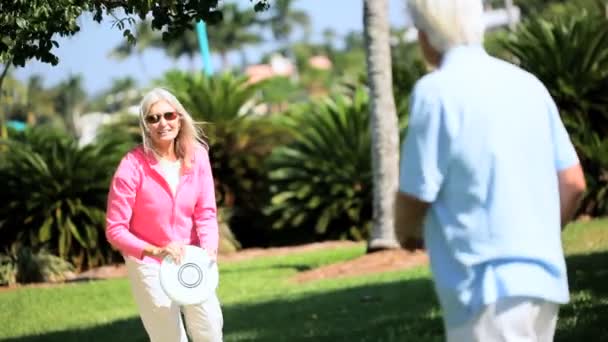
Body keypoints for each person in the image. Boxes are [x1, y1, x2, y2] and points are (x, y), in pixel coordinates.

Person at [395, 0, 587, 341]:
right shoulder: (529, 85)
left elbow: (414, 194)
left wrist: (406, 234)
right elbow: (573, 182)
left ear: (425, 33)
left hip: (485, 288)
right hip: (544, 283)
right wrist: (536, 237)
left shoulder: (435, 92)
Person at [105, 87, 223, 342]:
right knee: (169, 337)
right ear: (145, 125)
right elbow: (115, 229)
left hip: (191, 255)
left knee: (210, 328)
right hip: (149, 262)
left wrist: (209, 249)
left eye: (169, 115)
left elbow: (205, 212)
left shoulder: (197, 155)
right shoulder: (131, 166)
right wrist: (154, 250)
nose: (162, 123)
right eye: (153, 118)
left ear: (179, 117)